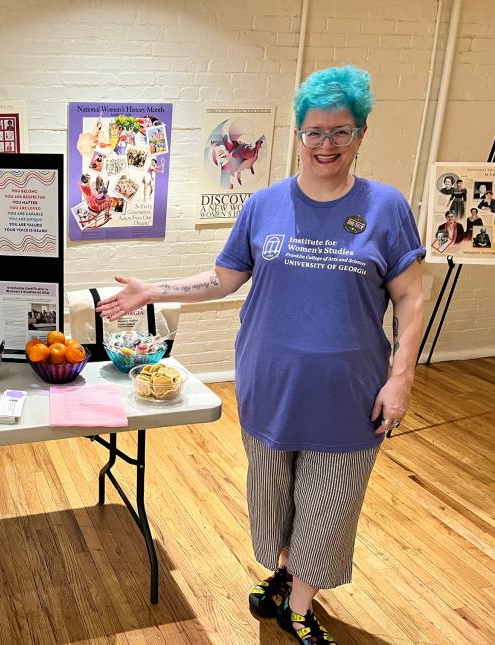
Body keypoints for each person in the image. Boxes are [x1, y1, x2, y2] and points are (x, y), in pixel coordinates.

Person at [96, 66, 424, 645]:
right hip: (268, 385)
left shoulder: (386, 207)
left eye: (341, 132)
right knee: (272, 497)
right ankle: (285, 572)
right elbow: (223, 279)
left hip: (348, 393)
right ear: (299, 134)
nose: (327, 145)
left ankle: (298, 606)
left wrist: (401, 381)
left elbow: (411, 301)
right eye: (315, 132)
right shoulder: (265, 205)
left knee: (330, 501)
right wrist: (155, 290)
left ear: (361, 134)